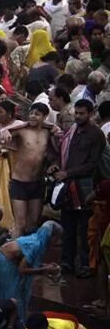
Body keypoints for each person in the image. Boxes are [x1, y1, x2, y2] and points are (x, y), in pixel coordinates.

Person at [53, 100, 106, 277]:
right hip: (69, 184)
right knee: (68, 227)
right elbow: (62, 154)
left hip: (85, 185)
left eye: (82, 113)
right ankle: (67, 262)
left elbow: (92, 164)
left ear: (91, 114)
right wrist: (56, 167)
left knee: (85, 228)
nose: (77, 116)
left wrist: (66, 173)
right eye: (76, 113)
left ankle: (86, 264)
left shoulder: (96, 134)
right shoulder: (72, 131)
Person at [0, 221, 62, 320]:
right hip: (5, 264)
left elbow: (27, 263)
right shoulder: (35, 244)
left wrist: (44, 266)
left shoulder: (36, 241)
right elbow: (22, 270)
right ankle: (8, 321)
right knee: (10, 295)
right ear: (51, 236)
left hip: (10, 262)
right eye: (57, 239)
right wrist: (45, 269)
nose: (57, 242)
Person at [5, 104, 56, 237]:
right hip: (19, 182)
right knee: (20, 224)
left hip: (37, 183)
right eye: (31, 113)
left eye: (37, 114)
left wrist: (53, 164)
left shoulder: (48, 132)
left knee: (33, 224)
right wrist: (3, 134)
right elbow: (3, 133)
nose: (33, 116)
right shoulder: (22, 130)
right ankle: (12, 254)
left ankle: (29, 256)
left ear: (44, 117)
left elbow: (53, 152)